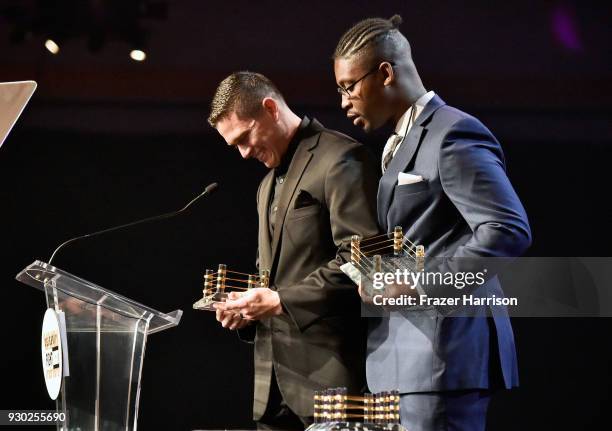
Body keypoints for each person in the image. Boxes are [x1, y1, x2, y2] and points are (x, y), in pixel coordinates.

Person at [333, 15, 532, 431]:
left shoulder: (453, 133)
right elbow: (421, 236)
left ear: (385, 72)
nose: (344, 101)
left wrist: (420, 284)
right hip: (405, 362)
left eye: (348, 86)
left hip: (443, 358)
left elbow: (507, 230)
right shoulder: (399, 142)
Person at [207, 71, 379, 430]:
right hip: (271, 392)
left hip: (330, 384)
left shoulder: (341, 158)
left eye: (245, 137)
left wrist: (279, 300)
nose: (243, 153)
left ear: (270, 108)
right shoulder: (265, 185)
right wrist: (246, 309)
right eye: (234, 145)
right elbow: (272, 277)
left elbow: (362, 263)